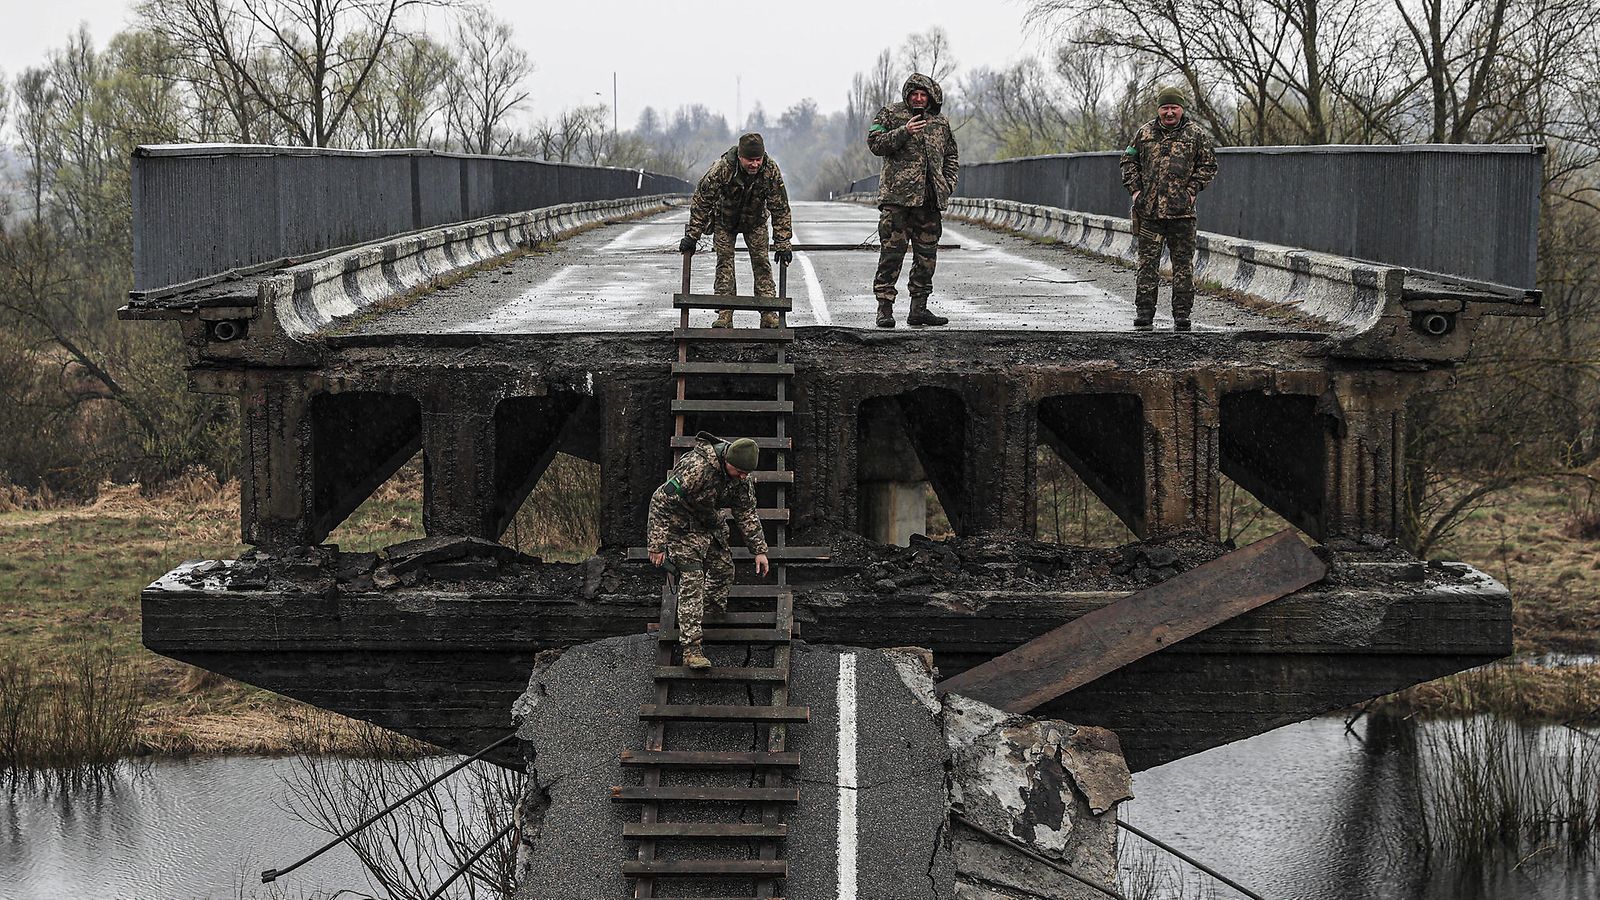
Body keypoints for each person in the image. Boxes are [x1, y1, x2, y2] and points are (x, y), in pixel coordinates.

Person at [646, 432, 771, 670]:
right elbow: (661, 500)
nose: (743, 477)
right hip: (680, 528)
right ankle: (692, 649)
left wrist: (759, 550)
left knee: (724, 570)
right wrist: (656, 545)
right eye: (740, 471)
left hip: (710, 525)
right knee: (692, 579)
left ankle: (710, 613)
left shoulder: (741, 479)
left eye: (747, 473)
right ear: (727, 462)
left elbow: (746, 514)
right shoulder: (696, 468)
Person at [1119, 86, 1219, 331]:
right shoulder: (1144, 134)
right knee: (1147, 265)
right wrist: (1136, 191)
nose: (1170, 112)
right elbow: (1127, 161)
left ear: (1181, 108)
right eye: (1165, 108)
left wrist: (1192, 191)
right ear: (1159, 109)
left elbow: (1209, 165)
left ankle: (1182, 315)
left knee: (1183, 266)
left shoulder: (1195, 135)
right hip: (1149, 213)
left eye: (1174, 107)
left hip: (1181, 214)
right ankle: (1144, 313)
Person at [867, 73, 959, 329]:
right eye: (914, 94)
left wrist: (947, 184)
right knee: (891, 256)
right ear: (907, 95)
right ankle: (884, 309)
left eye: (923, 95)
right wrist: (903, 132)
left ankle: (919, 309)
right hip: (897, 201)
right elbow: (874, 143)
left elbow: (951, 155)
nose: (918, 99)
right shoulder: (890, 114)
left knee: (926, 258)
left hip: (929, 203)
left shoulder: (940, 122)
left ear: (930, 97)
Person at [679, 133, 793, 328]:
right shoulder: (722, 169)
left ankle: (768, 313)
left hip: (755, 221)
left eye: (758, 160)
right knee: (724, 263)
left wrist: (783, 243)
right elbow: (702, 201)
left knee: (761, 263)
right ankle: (724, 313)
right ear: (740, 156)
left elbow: (780, 207)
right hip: (725, 220)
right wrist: (692, 235)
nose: (755, 165)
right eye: (750, 160)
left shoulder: (770, 170)